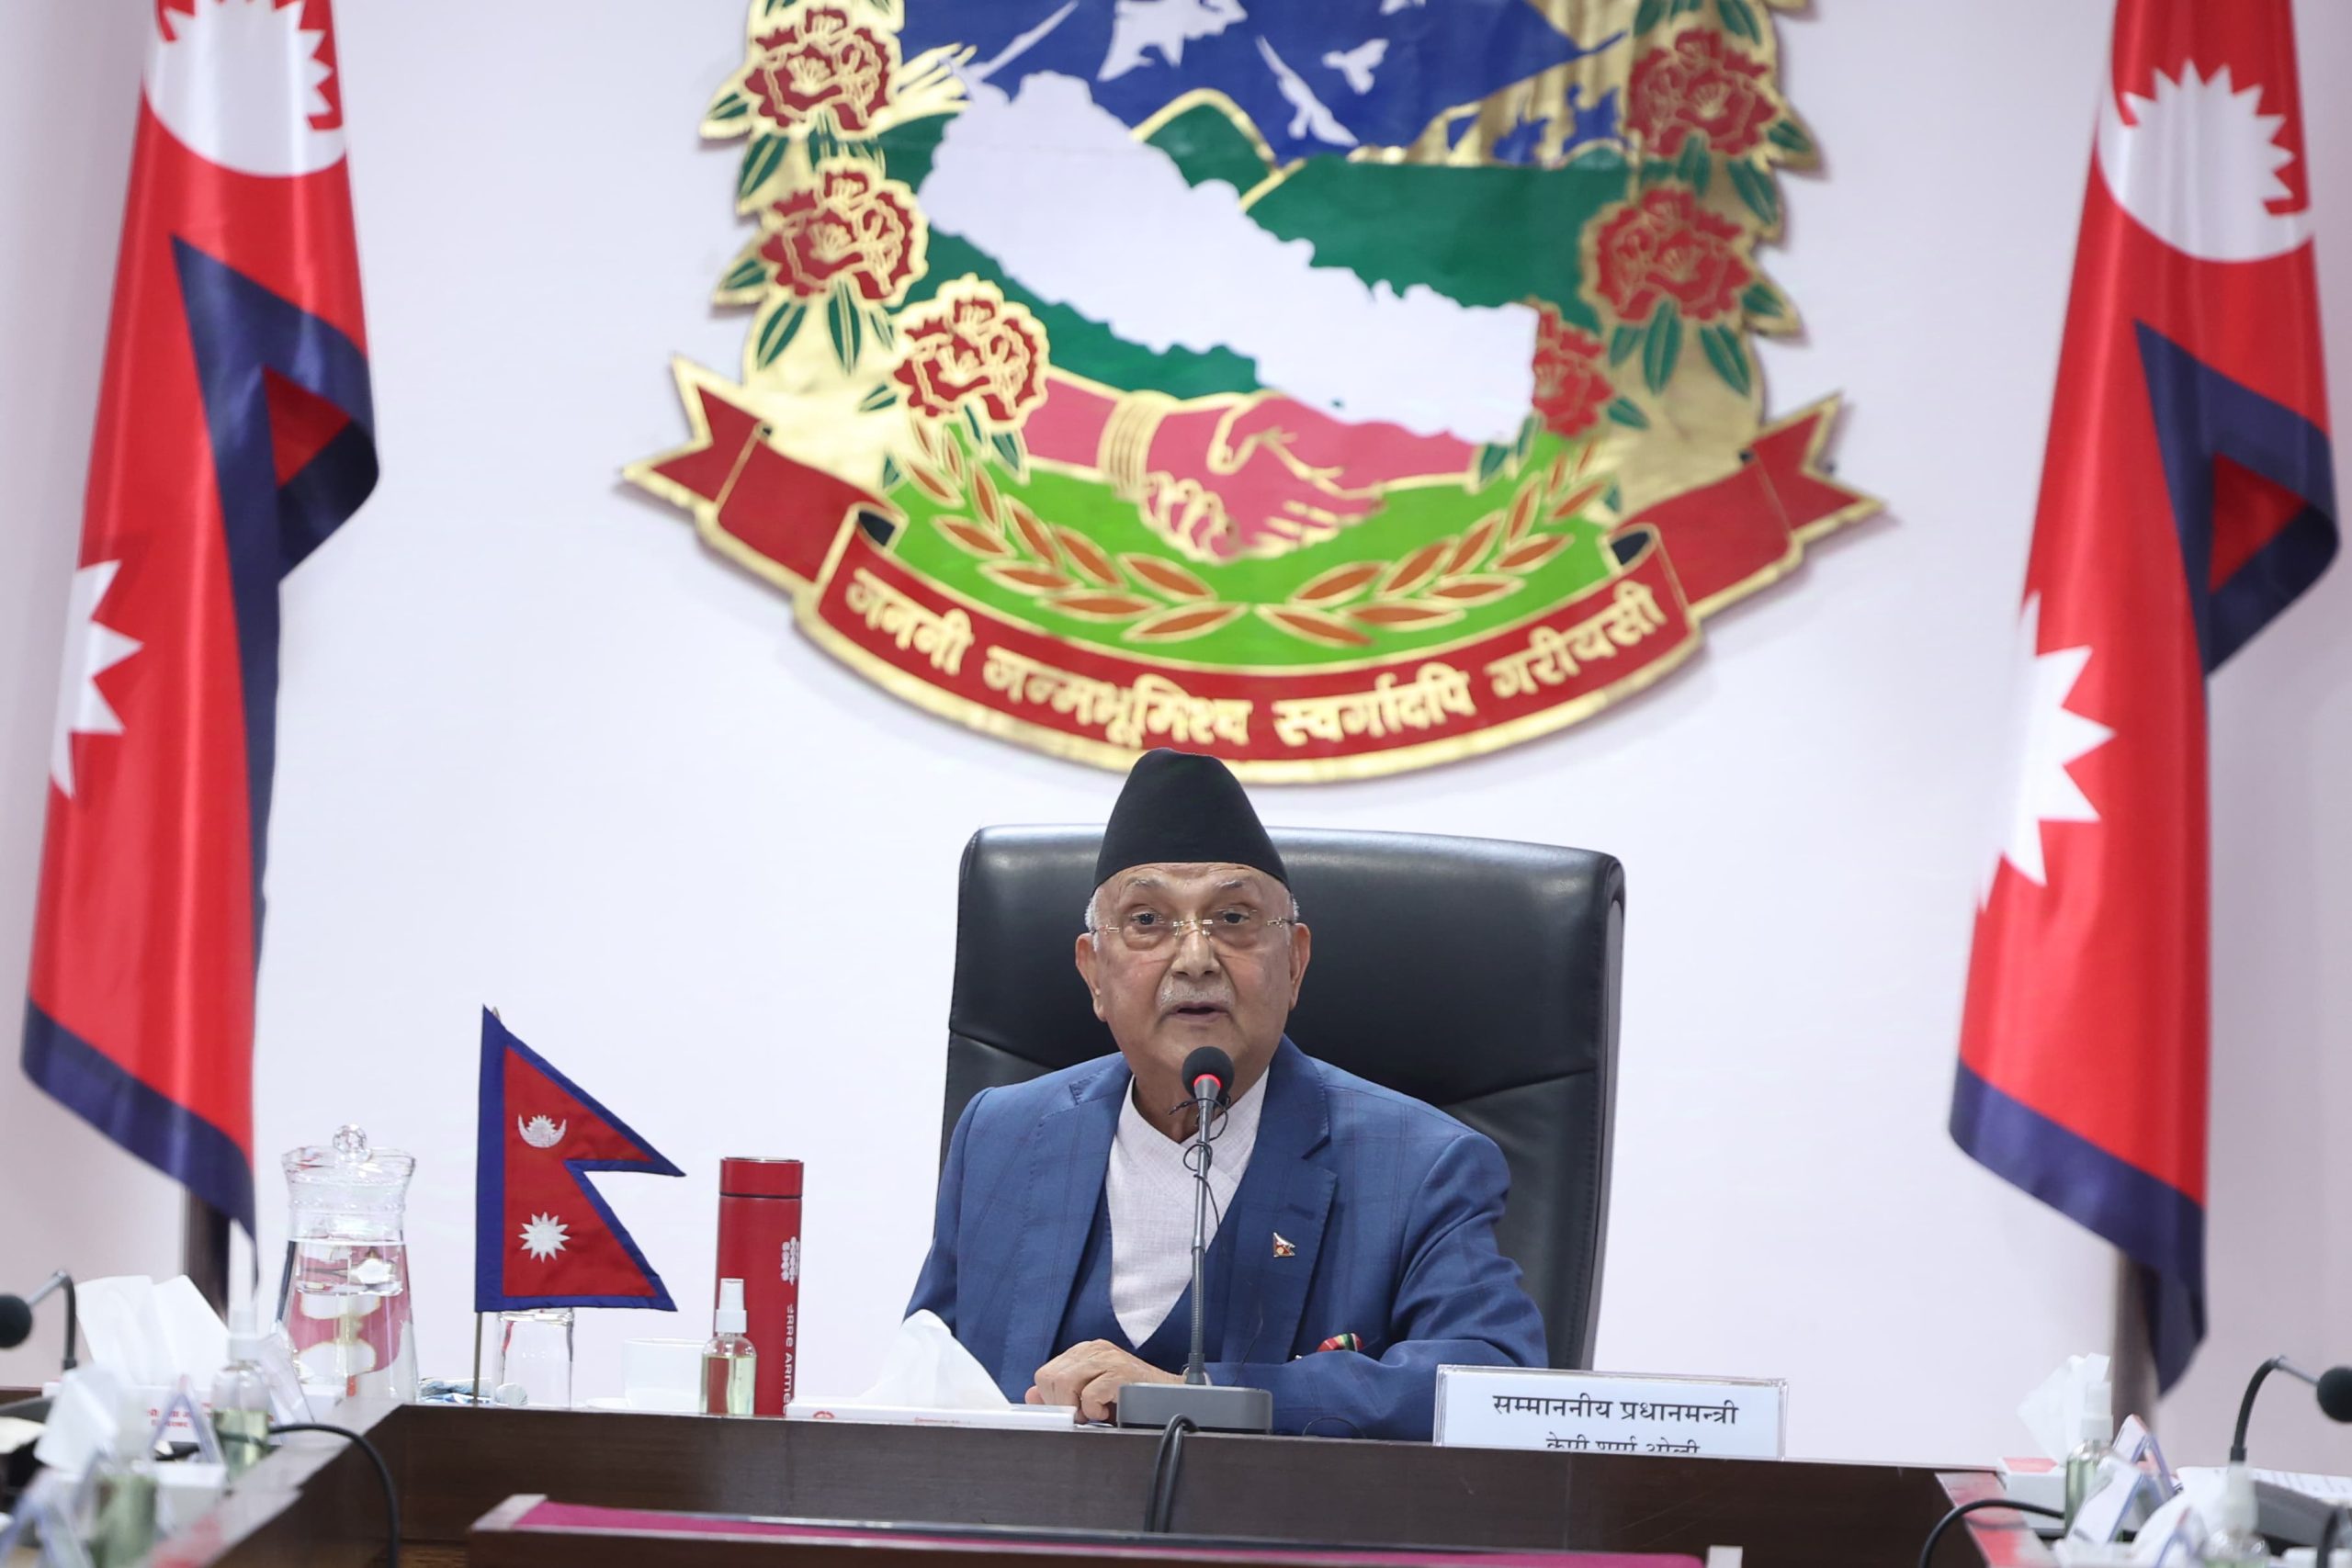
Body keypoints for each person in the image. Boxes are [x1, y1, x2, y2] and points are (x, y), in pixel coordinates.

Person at [907, 748, 1544, 1439]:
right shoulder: (1002, 1135)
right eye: (1147, 921)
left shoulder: (1424, 1163)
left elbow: (1490, 1385)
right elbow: (925, 1378)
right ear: (1093, 972)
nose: (1195, 958)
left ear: (1294, 962)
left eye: (1234, 918)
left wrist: (1205, 1397)